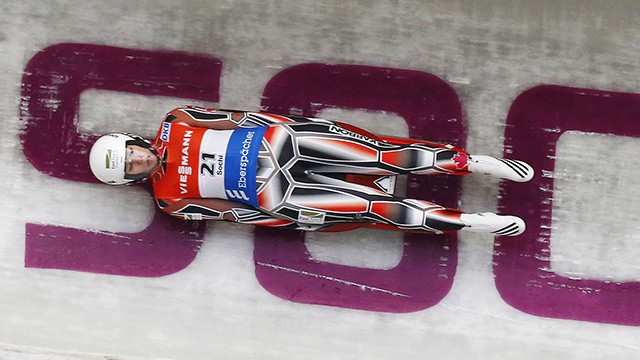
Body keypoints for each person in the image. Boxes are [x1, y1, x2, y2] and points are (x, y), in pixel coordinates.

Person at [89, 106, 534, 236]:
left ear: (133, 141)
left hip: (283, 142)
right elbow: (229, 214)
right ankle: (471, 224)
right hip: (274, 193)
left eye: (130, 151)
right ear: (128, 178)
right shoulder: (169, 199)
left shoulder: (178, 120)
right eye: (129, 167)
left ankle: (475, 164)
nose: (138, 160)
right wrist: (286, 217)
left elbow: (236, 117)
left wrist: (294, 127)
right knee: (375, 207)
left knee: (383, 154)